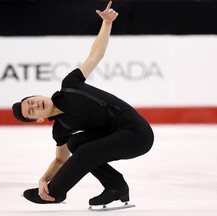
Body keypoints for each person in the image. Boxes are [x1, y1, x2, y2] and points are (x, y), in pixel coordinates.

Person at [12, 1, 154, 207]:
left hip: (137, 133)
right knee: (76, 144)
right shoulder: (60, 129)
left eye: (32, 101)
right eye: (31, 111)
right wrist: (44, 178)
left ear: (39, 95)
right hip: (117, 137)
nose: (35, 105)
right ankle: (116, 186)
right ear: (39, 119)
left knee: (86, 151)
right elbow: (61, 160)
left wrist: (107, 23)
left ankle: (54, 194)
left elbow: (96, 54)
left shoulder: (70, 85)